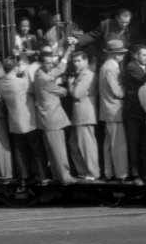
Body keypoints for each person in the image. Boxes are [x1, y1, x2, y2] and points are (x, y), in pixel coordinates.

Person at [0, 58, 47, 182]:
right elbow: (35, 88)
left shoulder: (2, 84)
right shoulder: (22, 83)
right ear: (15, 68)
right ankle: (41, 175)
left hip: (13, 122)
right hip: (28, 121)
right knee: (36, 149)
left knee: (19, 150)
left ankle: (23, 176)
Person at [33, 43, 76, 185]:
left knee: (54, 150)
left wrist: (67, 53)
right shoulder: (45, 79)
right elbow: (62, 92)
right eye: (47, 63)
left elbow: (59, 69)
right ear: (41, 63)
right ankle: (65, 177)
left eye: (51, 63)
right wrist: (69, 86)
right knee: (59, 150)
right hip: (52, 119)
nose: (50, 66)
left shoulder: (40, 72)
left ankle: (57, 176)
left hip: (48, 118)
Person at [96, 40, 128, 181]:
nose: (122, 55)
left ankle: (109, 173)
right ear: (114, 54)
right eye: (121, 53)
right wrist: (129, 91)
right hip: (114, 110)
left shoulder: (107, 66)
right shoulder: (111, 68)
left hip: (108, 110)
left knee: (109, 144)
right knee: (118, 145)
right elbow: (117, 91)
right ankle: (121, 174)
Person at [122, 44, 146, 184]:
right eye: (144, 55)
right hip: (133, 112)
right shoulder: (131, 67)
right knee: (134, 144)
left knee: (145, 145)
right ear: (135, 55)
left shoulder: (143, 67)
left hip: (143, 111)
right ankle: (136, 175)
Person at [66, 51, 100, 181]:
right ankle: (84, 171)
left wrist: (70, 84)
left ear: (86, 61)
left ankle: (93, 173)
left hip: (84, 115)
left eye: (78, 61)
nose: (76, 64)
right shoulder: (82, 74)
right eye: (74, 61)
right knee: (74, 145)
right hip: (79, 116)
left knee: (87, 146)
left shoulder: (87, 75)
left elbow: (77, 93)